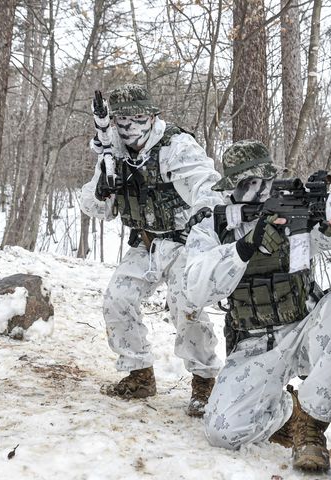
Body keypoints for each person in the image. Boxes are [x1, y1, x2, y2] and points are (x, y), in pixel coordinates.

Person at [181, 140, 331, 471]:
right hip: (253, 343)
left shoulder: (295, 210)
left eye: (264, 182)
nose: (260, 191)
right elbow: (193, 287)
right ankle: (287, 413)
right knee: (222, 431)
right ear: (232, 189)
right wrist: (246, 246)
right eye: (249, 184)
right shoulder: (212, 225)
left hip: (305, 327)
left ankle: (310, 428)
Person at [79, 84, 222, 417]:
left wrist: (208, 214)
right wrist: (101, 189)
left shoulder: (176, 146)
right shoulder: (113, 154)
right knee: (117, 298)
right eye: (122, 120)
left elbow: (207, 183)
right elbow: (97, 209)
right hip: (145, 242)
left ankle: (204, 381)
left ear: (153, 116)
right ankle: (139, 373)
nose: (130, 128)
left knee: (184, 305)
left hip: (185, 240)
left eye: (138, 118)